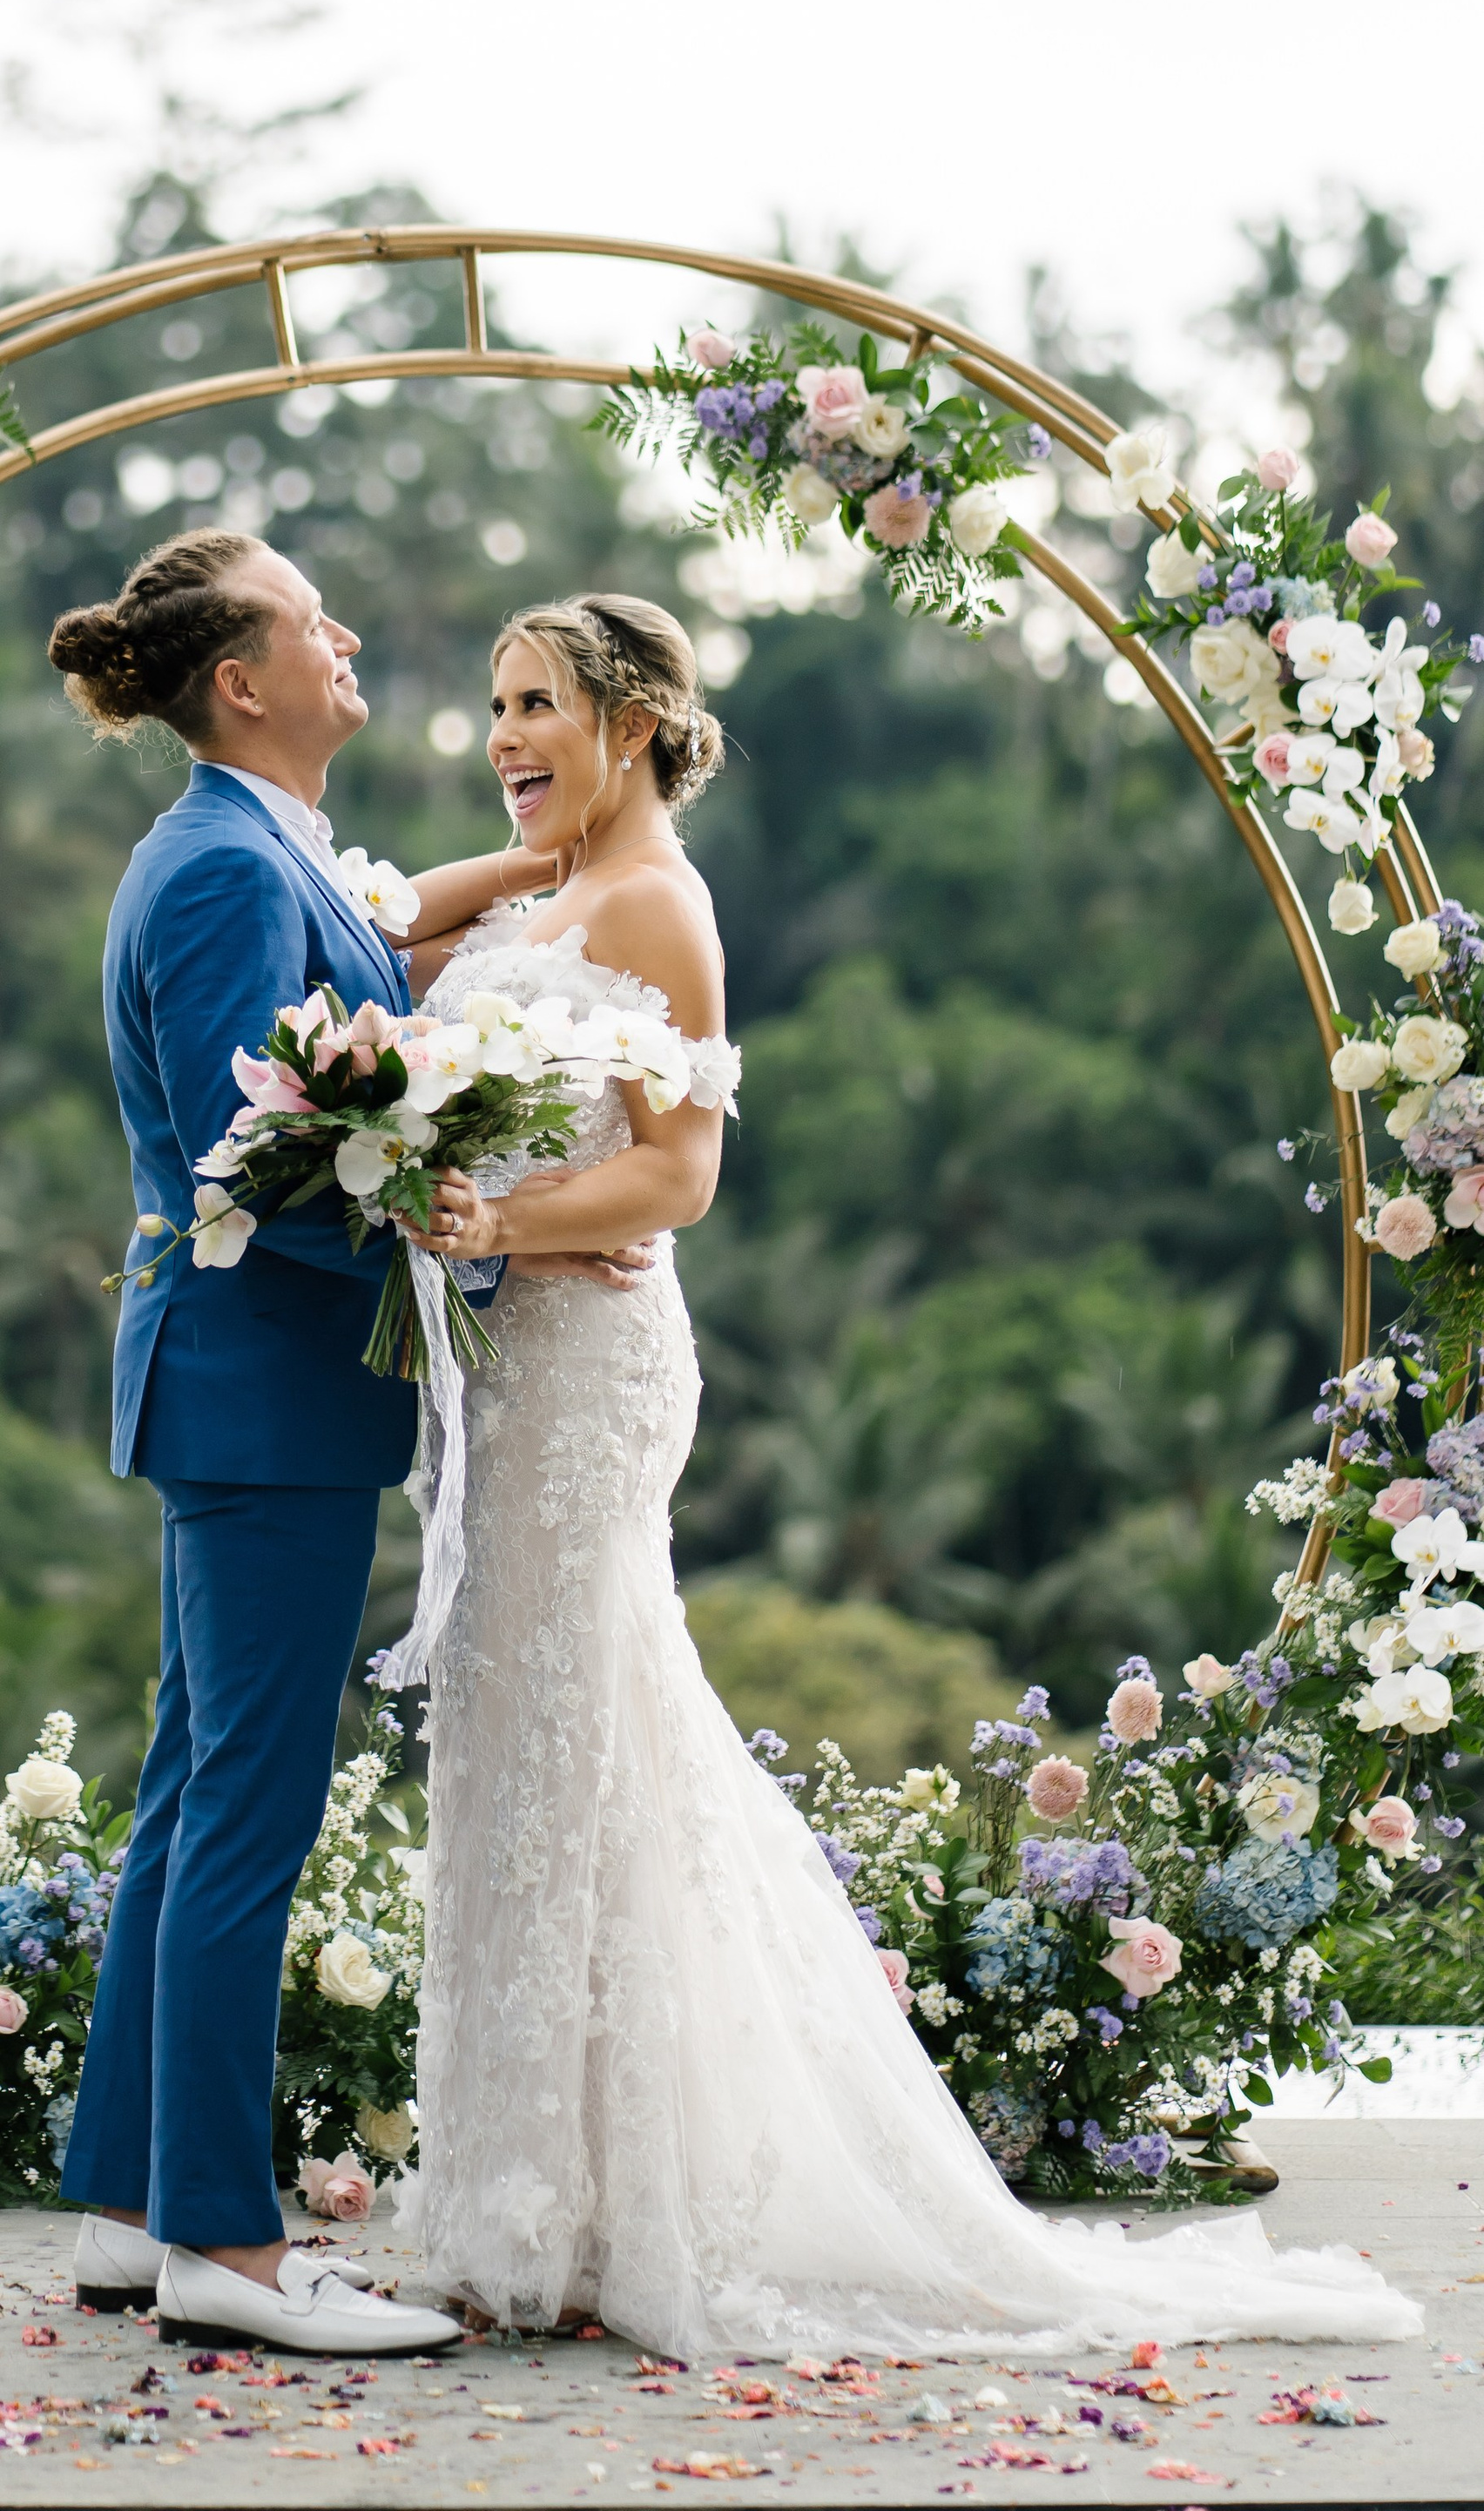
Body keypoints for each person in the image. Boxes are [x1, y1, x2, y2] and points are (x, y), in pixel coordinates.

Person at [387, 589, 1421, 2359]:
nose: (499, 740)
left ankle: (567, 2208)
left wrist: (505, 1218)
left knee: (560, 1743)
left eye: (536, 704)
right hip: (513, 1373)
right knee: (526, 1744)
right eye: (491, 706)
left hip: (590, 1376)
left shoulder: (658, 909)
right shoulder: (559, 889)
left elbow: (679, 1179)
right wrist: (505, 883)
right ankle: (534, 2187)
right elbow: (392, 922)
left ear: (627, 721)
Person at [45, 528, 648, 2358]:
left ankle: (129, 2201)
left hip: (248, 1384)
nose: (351, 637)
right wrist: (457, 1213)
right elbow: (267, 1152)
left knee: (189, 1789)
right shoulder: (226, 869)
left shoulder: (255, 847)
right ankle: (223, 2255)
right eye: (316, 623)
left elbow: (370, 975)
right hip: (266, 1386)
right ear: (242, 681)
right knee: (245, 1808)